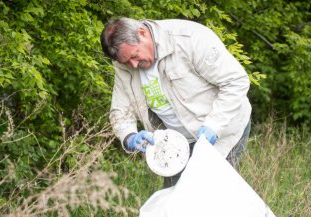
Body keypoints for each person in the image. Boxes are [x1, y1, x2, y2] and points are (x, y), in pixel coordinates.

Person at [100, 17, 252, 188]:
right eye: (126, 61)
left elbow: (236, 81)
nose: (133, 65)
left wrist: (213, 125)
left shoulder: (189, 38)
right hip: (175, 144)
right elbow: (120, 110)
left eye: (134, 56)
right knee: (174, 202)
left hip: (222, 131)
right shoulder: (124, 63)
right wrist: (129, 136)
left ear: (142, 33)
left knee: (213, 195)